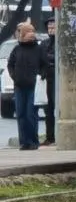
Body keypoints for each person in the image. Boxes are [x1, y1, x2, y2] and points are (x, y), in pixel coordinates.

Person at [6, 22, 43, 151]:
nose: (30, 35)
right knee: (21, 114)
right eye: (27, 32)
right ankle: (24, 142)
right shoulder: (17, 49)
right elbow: (10, 64)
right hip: (19, 86)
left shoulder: (38, 49)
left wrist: (40, 76)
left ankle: (33, 141)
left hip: (33, 87)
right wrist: (14, 76)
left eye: (32, 32)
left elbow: (45, 65)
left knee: (30, 114)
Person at [40, 17, 55, 145]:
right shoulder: (44, 43)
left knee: (56, 107)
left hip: (56, 79)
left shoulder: (60, 42)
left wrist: (48, 59)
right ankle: (50, 136)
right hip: (46, 79)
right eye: (49, 28)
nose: (51, 30)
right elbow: (40, 58)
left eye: (53, 28)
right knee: (48, 109)